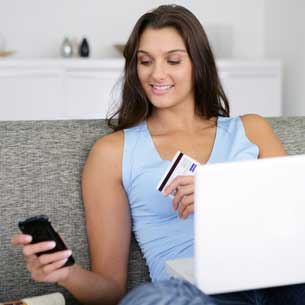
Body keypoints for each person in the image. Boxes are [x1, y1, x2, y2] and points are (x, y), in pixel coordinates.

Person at [11, 4, 305, 305]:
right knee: (150, 299)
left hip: (279, 280)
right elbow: (111, 291)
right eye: (145, 61)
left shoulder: (252, 130)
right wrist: (66, 274)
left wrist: (223, 198)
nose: (157, 74)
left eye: (173, 60)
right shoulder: (112, 153)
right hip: (192, 294)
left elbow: (296, 222)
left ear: (198, 64)